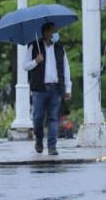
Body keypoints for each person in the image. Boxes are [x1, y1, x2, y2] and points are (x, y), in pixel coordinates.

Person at [24, 22, 71, 155]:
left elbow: (66, 68)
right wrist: (36, 61)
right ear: (45, 33)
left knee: (53, 118)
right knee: (38, 118)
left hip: (55, 88)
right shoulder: (34, 46)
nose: (55, 34)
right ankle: (39, 140)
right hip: (39, 89)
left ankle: (52, 146)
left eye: (55, 31)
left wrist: (68, 89)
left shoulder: (60, 48)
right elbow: (25, 66)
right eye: (52, 31)